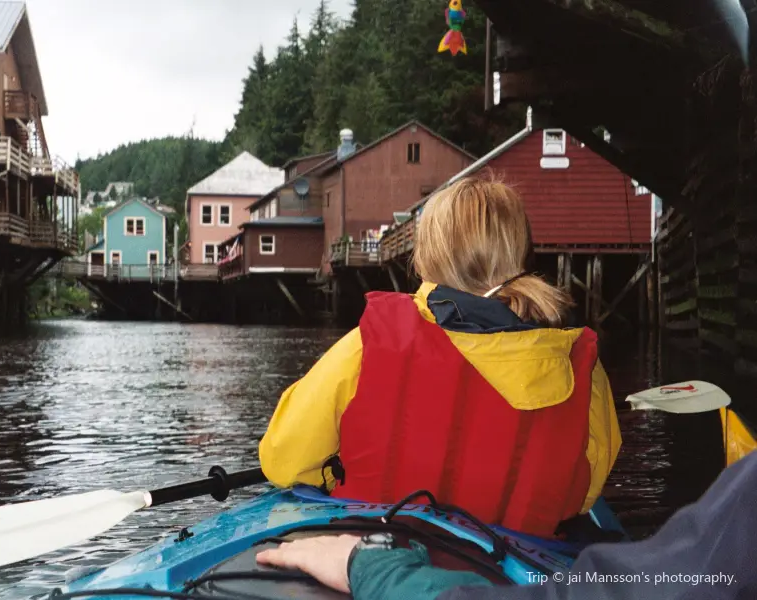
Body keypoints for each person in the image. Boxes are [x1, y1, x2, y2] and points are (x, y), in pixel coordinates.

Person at [258, 176, 621, 538]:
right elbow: (584, 496)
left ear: (427, 255)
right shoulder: (582, 368)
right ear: (521, 250)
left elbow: (283, 460)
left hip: (376, 564)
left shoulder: (368, 346)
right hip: (514, 570)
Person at [254, 451, 757, 600]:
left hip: (393, 534)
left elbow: (280, 457)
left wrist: (378, 572)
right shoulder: (576, 359)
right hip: (528, 542)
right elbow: (584, 489)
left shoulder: (359, 346)